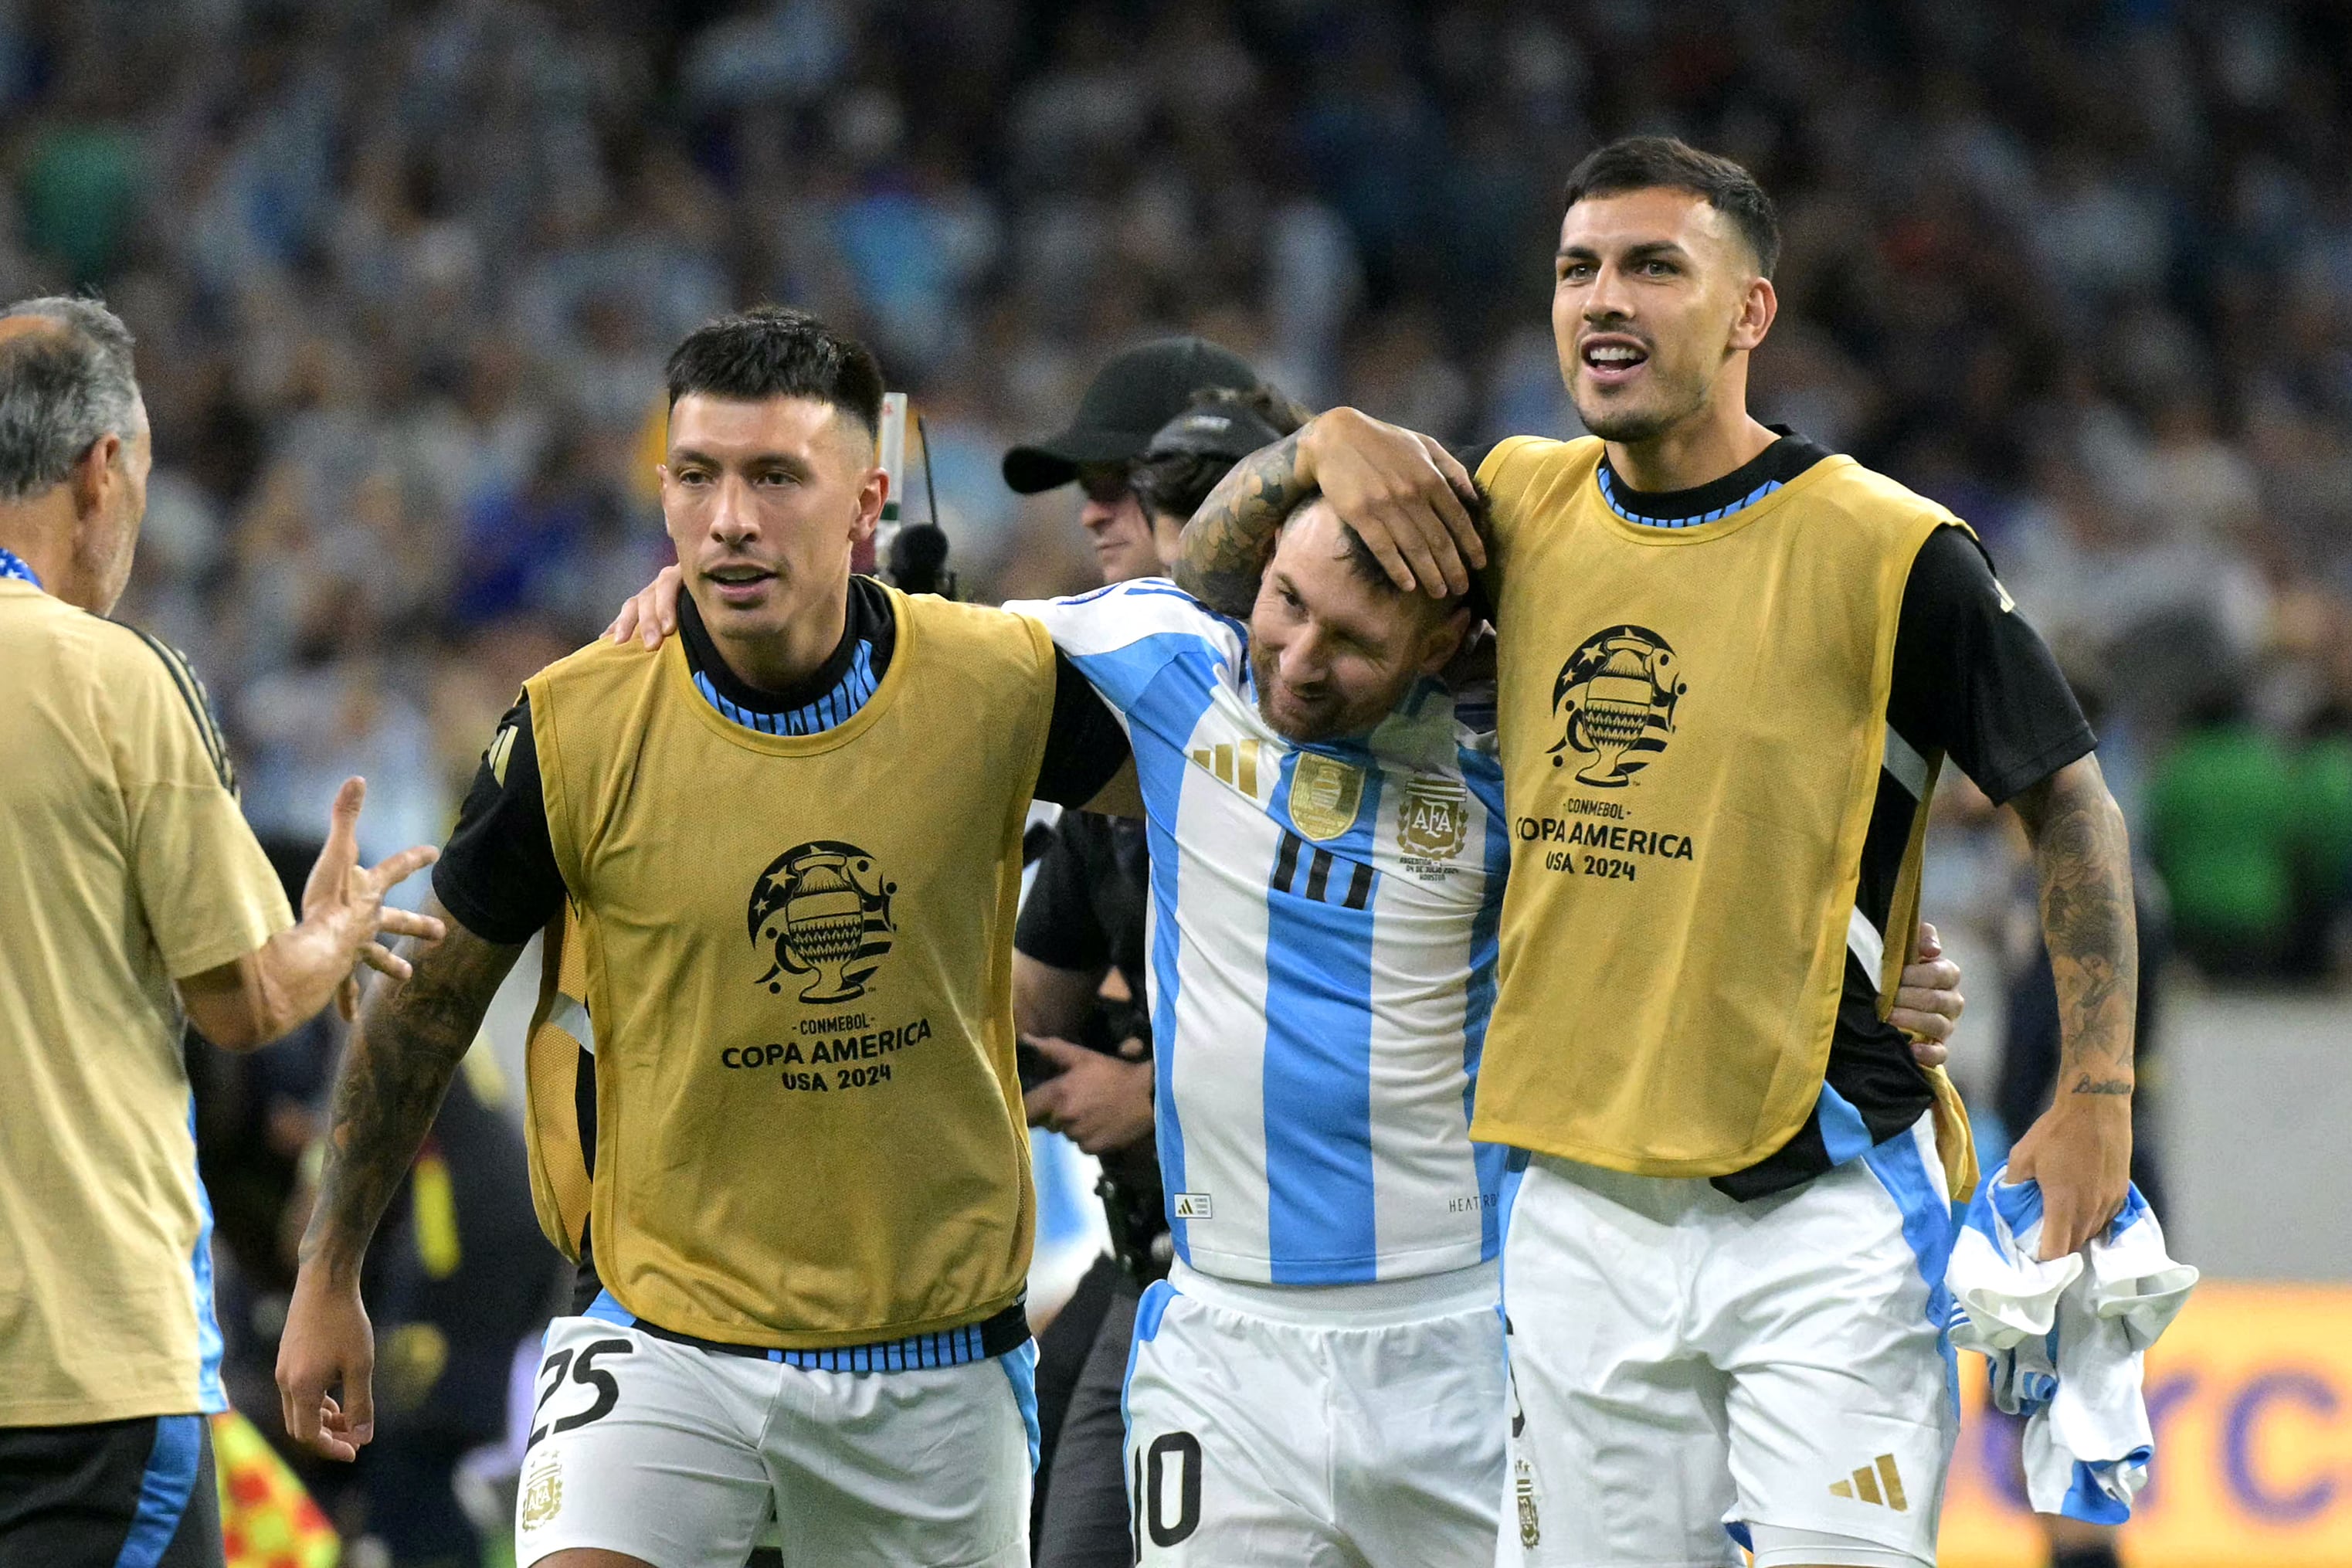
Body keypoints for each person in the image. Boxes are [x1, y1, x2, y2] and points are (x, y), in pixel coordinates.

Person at [607, 418, 1967, 1568]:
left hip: (1471, 1341)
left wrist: (1891, 980)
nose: (1299, 658)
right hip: (1223, 1342)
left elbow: (1716, 907)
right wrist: (712, 611)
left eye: (1353, 641)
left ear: (1444, 643)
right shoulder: (1169, 670)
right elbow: (892, 655)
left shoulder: (1528, 776)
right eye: (1288, 604)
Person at [1183, 136, 2137, 1568]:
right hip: (1574, 1212)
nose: (1602, 301)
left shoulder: (1890, 549)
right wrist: (1315, 444)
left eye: (1651, 267)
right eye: (1576, 270)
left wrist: (2097, 1090)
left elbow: (2067, 802)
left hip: (1813, 1205)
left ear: (1749, 313)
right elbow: (1215, 589)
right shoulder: (1516, 504)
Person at [274, 307, 1136, 1568]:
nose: (729, 515)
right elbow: (431, 998)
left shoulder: (996, 684)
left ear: (865, 502)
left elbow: (1231, 784)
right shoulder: (575, 725)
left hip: (936, 1358)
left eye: (775, 477)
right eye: (697, 476)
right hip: (662, 1337)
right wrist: (329, 1264)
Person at [0, 294, 439, 1568]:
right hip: (77, 1370)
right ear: (105, 468)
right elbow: (245, 1000)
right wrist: (335, 932)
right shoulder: (109, 679)